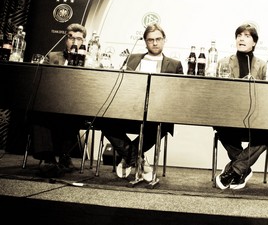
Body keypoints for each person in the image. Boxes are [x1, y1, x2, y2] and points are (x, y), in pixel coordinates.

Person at [102, 23, 183, 182]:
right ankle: (140, 161)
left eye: (158, 39)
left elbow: (177, 94)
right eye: (150, 39)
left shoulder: (175, 65)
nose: (154, 43)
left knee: (162, 125)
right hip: (129, 110)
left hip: (155, 114)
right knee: (105, 122)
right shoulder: (132, 59)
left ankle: (129, 157)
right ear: (145, 41)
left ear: (164, 40)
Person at [214, 23, 268, 190]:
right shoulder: (223, 62)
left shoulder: (263, 65)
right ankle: (243, 168)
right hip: (231, 117)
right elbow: (217, 92)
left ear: (254, 43)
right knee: (218, 123)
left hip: (255, 119)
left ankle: (235, 170)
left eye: (247, 36)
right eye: (239, 35)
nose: (241, 38)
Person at [31, 23, 88, 178]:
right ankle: (47, 158)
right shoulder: (53, 56)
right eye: (71, 38)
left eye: (79, 39)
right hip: (51, 103)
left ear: (84, 41)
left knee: (71, 112)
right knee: (38, 109)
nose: (74, 42)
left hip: (76, 106)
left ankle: (64, 156)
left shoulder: (89, 60)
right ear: (65, 40)